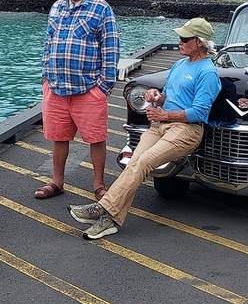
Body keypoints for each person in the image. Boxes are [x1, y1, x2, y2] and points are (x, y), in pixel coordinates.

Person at [69, 17, 221, 240]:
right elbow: (171, 96)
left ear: (198, 42)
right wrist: (156, 97)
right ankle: (109, 220)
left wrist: (165, 114)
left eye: (184, 38)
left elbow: (200, 112)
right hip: (161, 124)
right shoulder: (180, 64)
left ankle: (102, 208)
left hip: (186, 130)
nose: (179, 41)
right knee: (134, 165)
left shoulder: (207, 73)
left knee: (143, 162)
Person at [35, 0, 119, 202]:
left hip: (88, 89)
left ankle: (99, 185)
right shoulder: (57, 7)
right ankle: (57, 182)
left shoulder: (101, 8)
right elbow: (48, 43)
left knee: (96, 138)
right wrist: (45, 78)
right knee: (58, 137)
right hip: (56, 86)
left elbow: (111, 47)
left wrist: (102, 87)